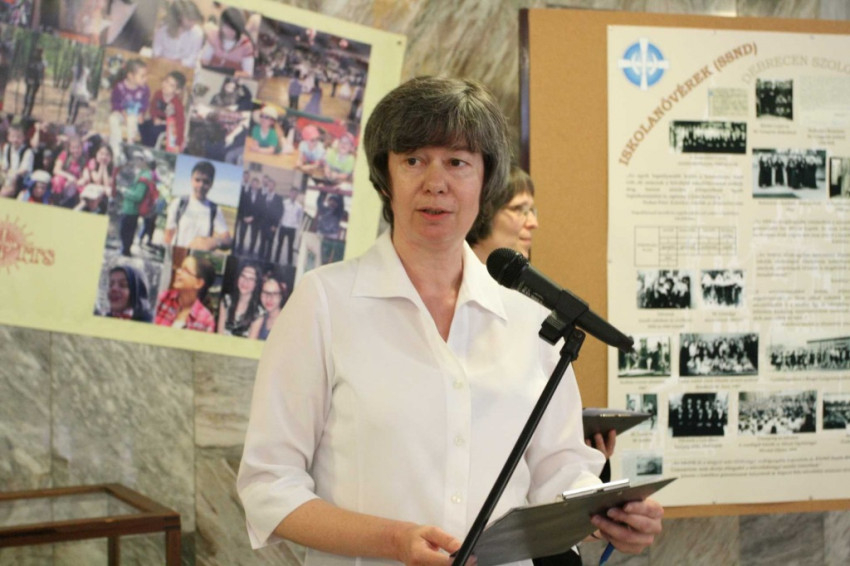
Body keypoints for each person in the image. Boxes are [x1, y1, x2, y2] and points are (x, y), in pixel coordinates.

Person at [237, 76, 663, 565]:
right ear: (385, 177)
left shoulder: (530, 322)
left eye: (457, 162)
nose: (435, 182)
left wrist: (609, 514)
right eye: (413, 160)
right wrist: (394, 541)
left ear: (485, 180)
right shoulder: (324, 303)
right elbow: (269, 485)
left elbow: (560, 470)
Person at [163, 160, 232, 251]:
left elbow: (228, 240)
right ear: (191, 180)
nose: (201, 185)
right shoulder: (179, 203)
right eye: (197, 180)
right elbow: (168, 235)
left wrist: (216, 242)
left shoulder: (214, 209)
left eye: (206, 182)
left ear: (211, 184)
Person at [154, 253, 216, 332]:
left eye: (185, 270)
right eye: (180, 268)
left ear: (198, 283)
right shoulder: (161, 298)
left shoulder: (206, 320)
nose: (178, 271)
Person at [108, 58, 150, 157]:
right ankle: (116, 146)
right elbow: (115, 102)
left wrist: (141, 114)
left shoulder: (145, 89)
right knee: (112, 119)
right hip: (121, 112)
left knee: (132, 120)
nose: (146, 78)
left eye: (146, 75)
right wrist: (122, 113)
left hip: (134, 115)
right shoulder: (119, 87)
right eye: (142, 76)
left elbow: (145, 103)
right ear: (131, 76)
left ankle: (130, 145)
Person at [117, 149, 156, 257]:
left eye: (139, 159)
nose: (136, 161)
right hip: (129, 208)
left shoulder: (145, 177)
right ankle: (125, 250)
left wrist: (125, 191)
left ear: (144, 161)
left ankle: (125, 252)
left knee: (126, 232)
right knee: (126, 231)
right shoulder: (142, 173)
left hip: (132, 210)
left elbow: (138, 196)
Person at [139, 71, 187, 152]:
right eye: (166, 81)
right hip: (156, 120)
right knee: (142, 125)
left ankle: (149, 149)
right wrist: (154, 118)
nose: (166, 85)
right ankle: (144, 146)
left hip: (168, 125)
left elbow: (180, 124)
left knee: (154, 130)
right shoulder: (158, 94)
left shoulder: (177, 105)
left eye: (171, 85)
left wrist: (178, 144)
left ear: (177, 91)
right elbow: (152, 108)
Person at [200, 7, 255, 76]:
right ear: (221, 25)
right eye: (227, 27)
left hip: (232, 80)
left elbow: (248, 73)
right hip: (211, 76)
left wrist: (229, 74)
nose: (230, 31)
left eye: (234, 29)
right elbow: (205, 60)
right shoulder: (214, 36)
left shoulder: (246, 45)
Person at [151, 0, 204, 68]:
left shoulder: (197, 33)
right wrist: (168, 63)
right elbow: (156, 53)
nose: (193, 23)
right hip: (163, 66)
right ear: (178, 17)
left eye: (194, 19)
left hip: (185, 69)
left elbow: (192, 59)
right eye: (190, 20)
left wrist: (175, 63)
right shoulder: (163, 29)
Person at [217, 261, 261, 337]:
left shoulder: (259, 312)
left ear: (256, 284)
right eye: (243, 276)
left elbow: (251, 341)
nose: (245, 282)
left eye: (251, 279)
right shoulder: (226, 301)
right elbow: (219, 334)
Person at [247, 274, 287, 341]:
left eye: (274, 294)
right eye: (265, 293)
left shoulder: (287, 322)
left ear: (281, 296)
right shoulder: (260, 318)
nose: (269, 298)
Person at [51, 135, 87, 207]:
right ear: (69, 148)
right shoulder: (65, 155)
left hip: (76, 184)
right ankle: (56, 203)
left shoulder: (84, 159)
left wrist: (82, 180)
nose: (76, 150)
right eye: (73, 148)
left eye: (78, 147)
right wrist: (68, 176)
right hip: (64, 183)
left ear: (82, 147)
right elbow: (56, 170)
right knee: (57, 180)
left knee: (84, 189)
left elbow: (86, 176)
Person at [0, 123, 34, 198]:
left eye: (18, 137)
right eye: (13, 137)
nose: (15, 140)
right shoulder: (7, 148)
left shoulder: (27, 151)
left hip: (22, 180)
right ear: (8, 137)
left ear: (23, 138)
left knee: (11, 180)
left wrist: (11, 175)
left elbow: (23, 170)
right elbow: (5, 165)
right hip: (8, 175)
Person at [275, 187, 303, 265]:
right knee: (279, 245)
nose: (294, 195)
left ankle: (289, 263)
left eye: (295, 193)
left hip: (292, 229)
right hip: (283, 226)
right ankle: (276, 261)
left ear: (297, 195)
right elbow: (279, 213)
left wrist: (296, 226)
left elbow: (300, 217)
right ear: (290, 193)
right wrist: (279, 223)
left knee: (290, 246)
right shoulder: (284, 203)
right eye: (292, 193)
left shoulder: (299, 206)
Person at [22, 47, 45, 117]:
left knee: (32, 96)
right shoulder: (31, 60)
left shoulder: (42, 62)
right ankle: (25, 108)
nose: (37, 54)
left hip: (36, 81)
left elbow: (42, 72)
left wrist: (41, 79)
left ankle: (29, 111)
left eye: (39, 52)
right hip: (30, 79)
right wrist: (26, 77)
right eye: (36, 52)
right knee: (27, 94)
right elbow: (27, 69)